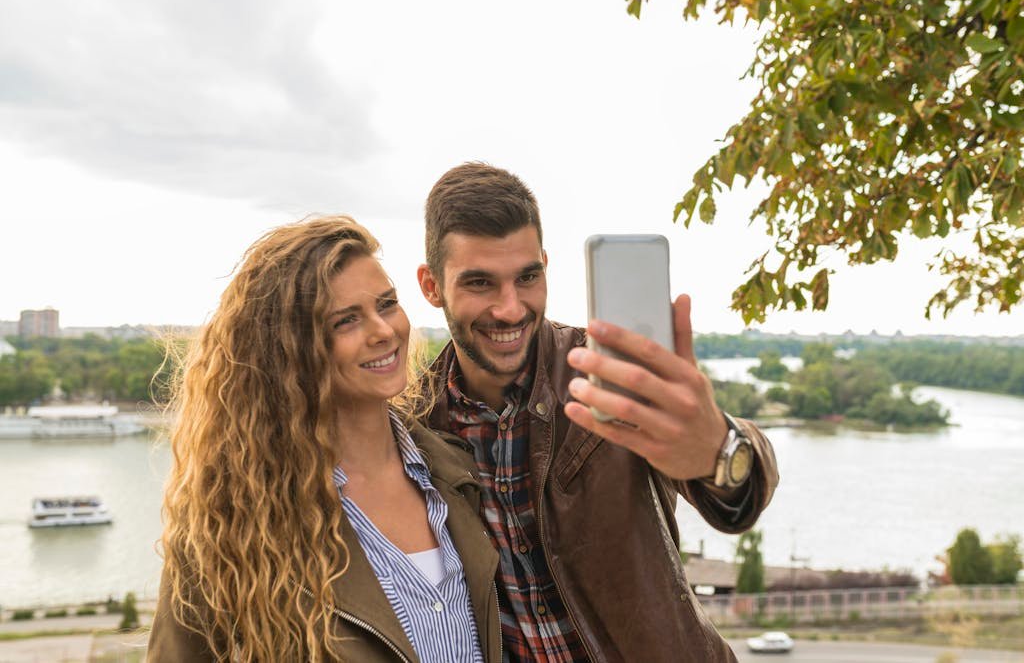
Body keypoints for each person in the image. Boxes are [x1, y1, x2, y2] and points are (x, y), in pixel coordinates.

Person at [416, 163, 780, 663]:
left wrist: (720, 449)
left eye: (528, 277)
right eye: (480, 283)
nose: (510, 308)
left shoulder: (611, 374)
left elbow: (740, 499)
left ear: (546, 264)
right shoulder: (415, 423)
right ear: (431, 286)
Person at [148, 216, 501, 662]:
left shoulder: (458, 472)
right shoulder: (231, 521)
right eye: (346, 321)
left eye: (387, 304)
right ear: (291, 350)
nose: (383, 331)